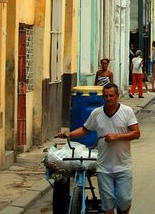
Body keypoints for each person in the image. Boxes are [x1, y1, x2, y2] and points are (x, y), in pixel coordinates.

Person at [57, 83, 140, 214]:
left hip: (123, 165)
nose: (109, 98)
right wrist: (69, 134)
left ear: (117, 96)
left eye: (111, 95)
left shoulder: (127, 111)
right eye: (106, 96)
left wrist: (117, 136)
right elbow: (85, 129)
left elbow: (136, 133)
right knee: (107, 203)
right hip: (103, 167)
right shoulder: (96, 113)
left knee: (124, 200)